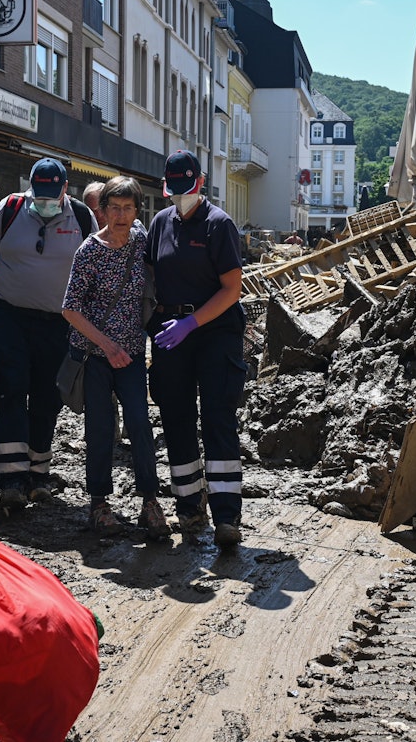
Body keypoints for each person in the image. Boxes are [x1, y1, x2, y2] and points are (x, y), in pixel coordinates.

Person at [0, 158, 96, 510]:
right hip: (9, 317)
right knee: (11, 392)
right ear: (30, 187)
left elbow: (95, 267)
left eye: (53, 194)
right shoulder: (11, 208)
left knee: (47, 399)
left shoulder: (81, 217)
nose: (45, 201)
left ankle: (38, 477)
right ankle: (11, 481)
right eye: (40, 194)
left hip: (59, 323)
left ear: (66, 189)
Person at [146, 150, 247, 549]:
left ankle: (226, 517)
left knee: (218, 418)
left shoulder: (218, 225)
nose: (180, 196)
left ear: (200, 184)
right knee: (176, 417)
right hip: (172, 333)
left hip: (214, 332)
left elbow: (232, 289)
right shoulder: (160, 223)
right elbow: (150, 274)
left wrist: (192, 323)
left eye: (186, 189)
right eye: (174, 190)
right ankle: (189, 508)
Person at [62, 176, 169, 538]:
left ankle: (150, 501)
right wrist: (108, 346)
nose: (120, 215)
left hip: (134, 355)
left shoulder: (141, 241)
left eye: (128, 208)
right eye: (114, 208)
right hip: (95, 356)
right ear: (102, 210)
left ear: (137, 211)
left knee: (140, 423)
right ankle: (99, 504)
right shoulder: (89, 251)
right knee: (100, 429)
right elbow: (71, 309)